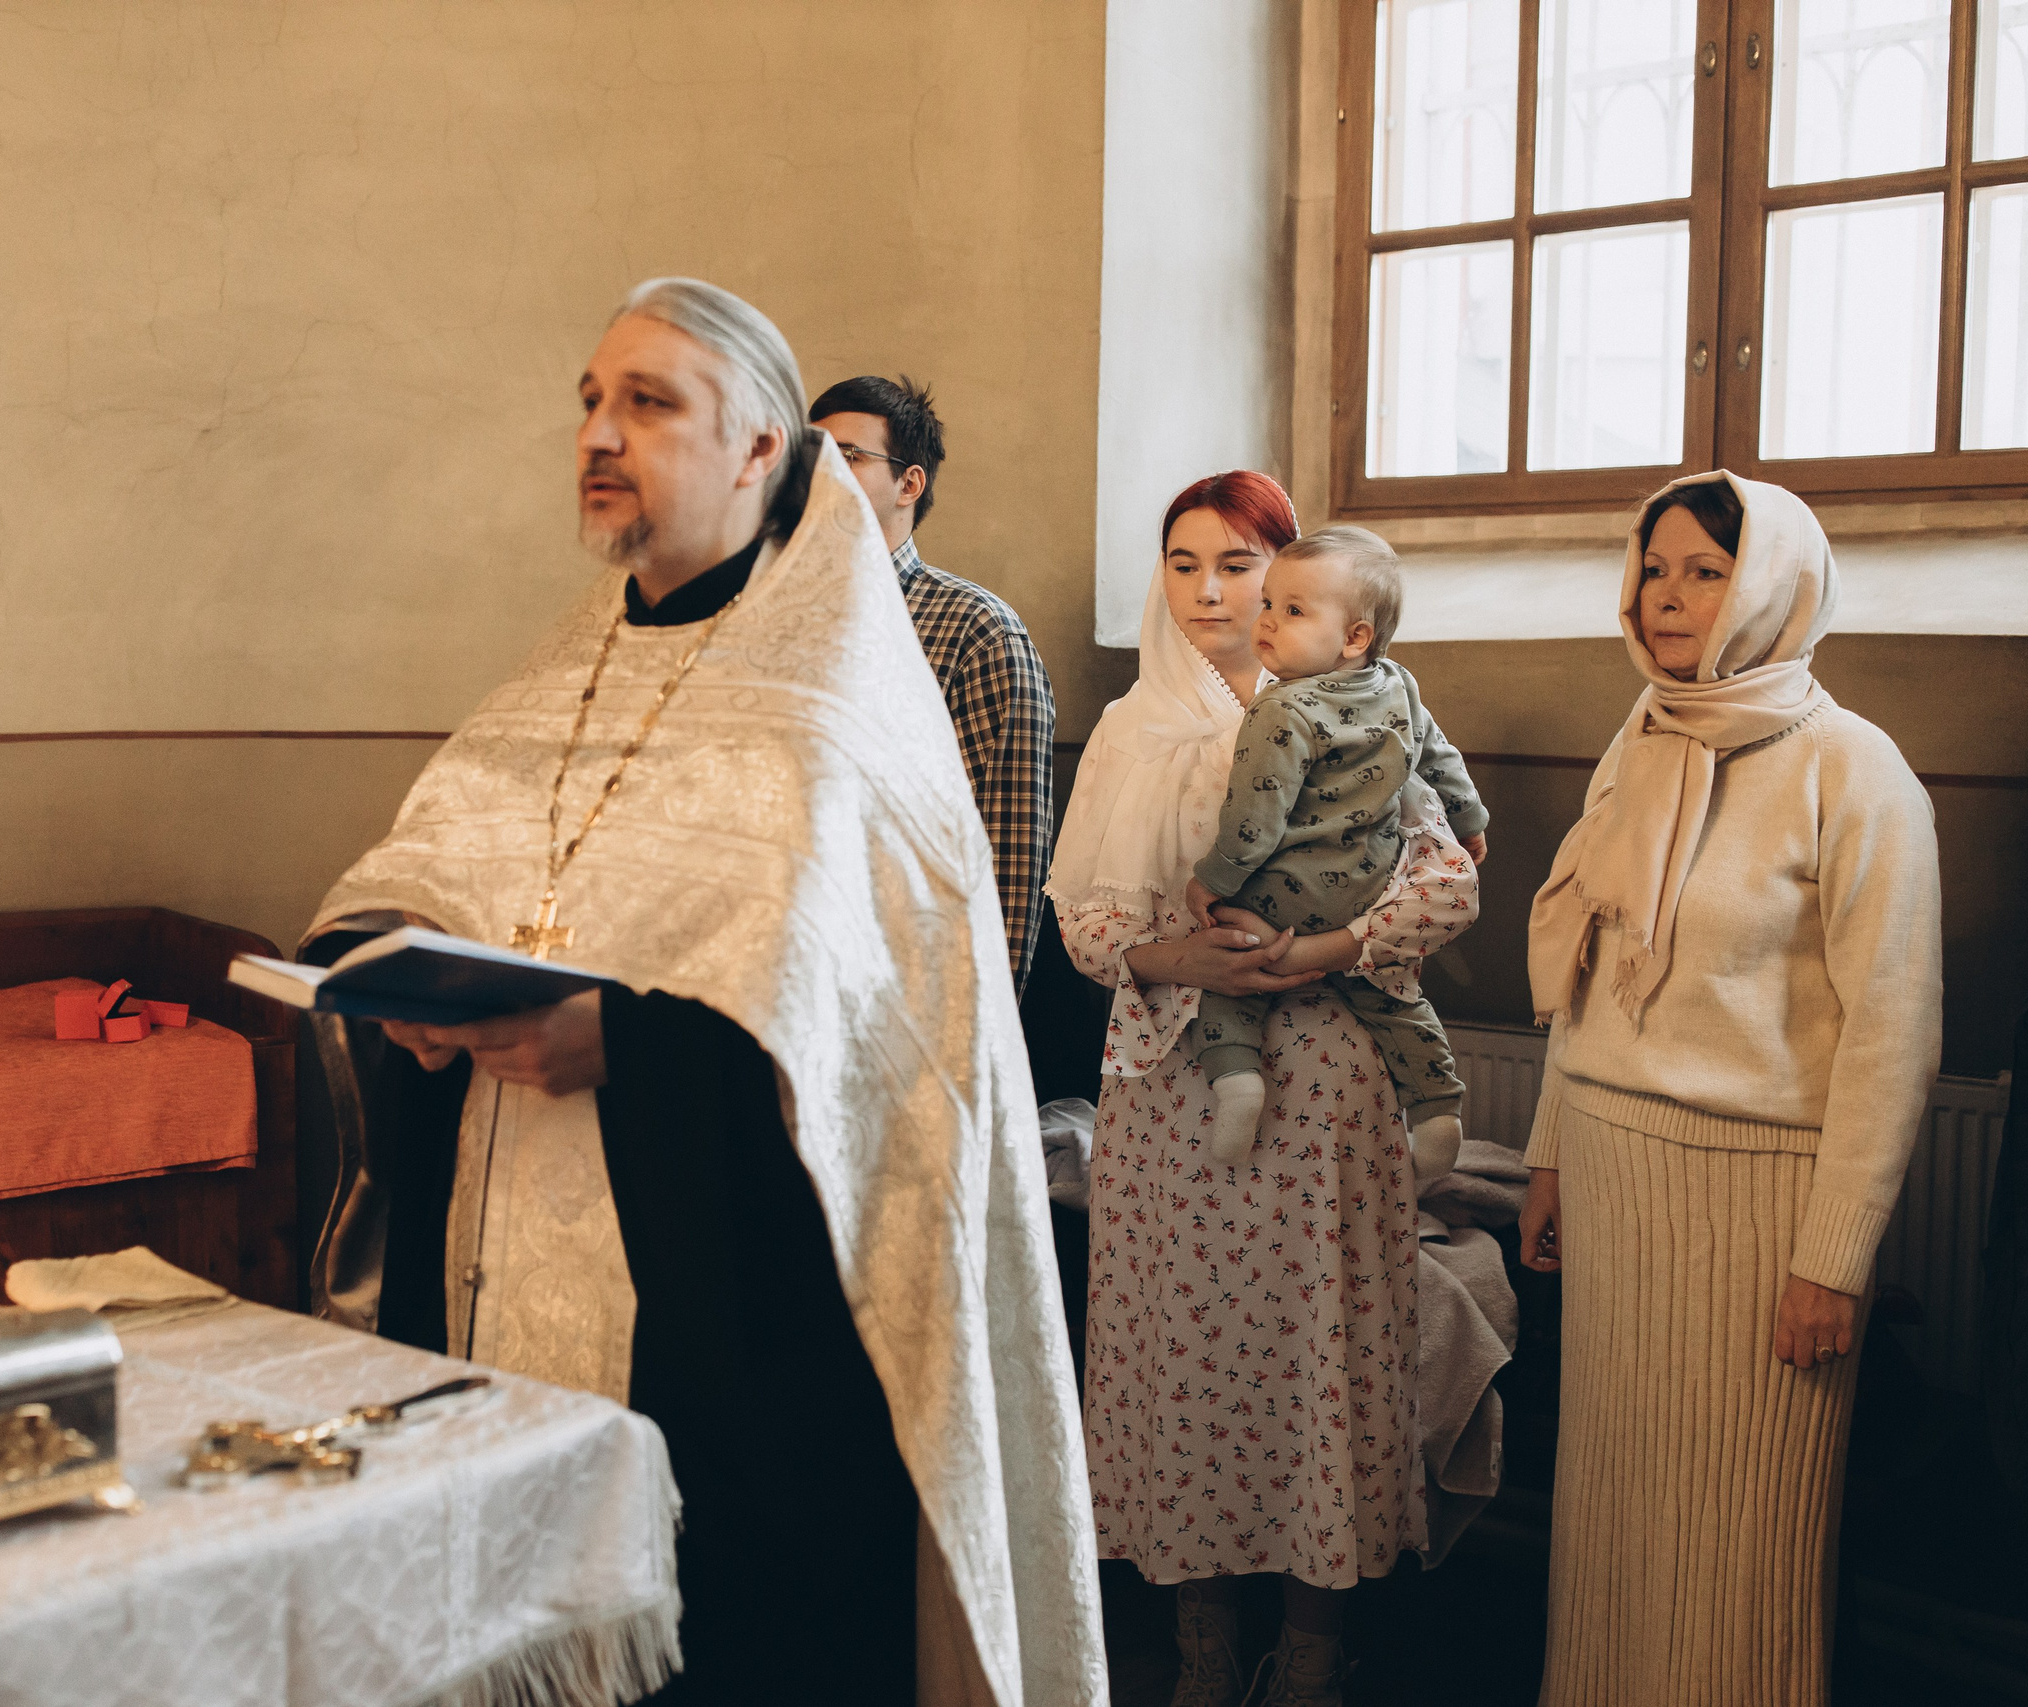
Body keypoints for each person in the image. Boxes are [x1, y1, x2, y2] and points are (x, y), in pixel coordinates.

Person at [302, 279, 1106, 1707]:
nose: (599, 434)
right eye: (590, 401)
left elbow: (887, 1033)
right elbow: (433, 865)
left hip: (737, 1312)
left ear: (759, 451)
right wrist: (404, 976)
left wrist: (618, 1036)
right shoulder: (558, 672)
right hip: (496, 1245)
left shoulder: (841, 698)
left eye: (650, 403)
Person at [1049, 470, 1480, 1707]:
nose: (1207, 592)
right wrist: (1173, 957)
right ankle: (1199, 1652)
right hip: (1169, 1088)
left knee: (1311, 1368)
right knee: (1186, 1371)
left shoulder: (1360, 710)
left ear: (1293, 583)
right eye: (1182, 563)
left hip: (1324, 1087)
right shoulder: (1132, 727)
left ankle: (1309, 1657)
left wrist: (1328, 949)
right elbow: (1082, 922)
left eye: (1237, 565)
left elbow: (1447, 885)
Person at [1517, 471, 1942, 1706]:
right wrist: (1549, 1153)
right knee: (1610, 1528)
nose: (1666, 596)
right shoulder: (1638, 740)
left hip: (1759, 1213)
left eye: (1706, 572)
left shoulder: (1852, 769)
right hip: (1614, 1177)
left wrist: (1834, 1260)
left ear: (1770, 588)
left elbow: (1893, 1033)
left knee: (1744, 1550)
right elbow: (1589, 964)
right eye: (1654, 569)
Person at [1182, 525, 1487, 1174]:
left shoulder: (1281, 710)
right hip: (1372, 887)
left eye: (1293, 610)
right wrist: (1470, 821)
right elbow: (1439, 759)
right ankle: (1438, 1109)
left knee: (1229, 986)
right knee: (1393, 999)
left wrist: (1212, 880)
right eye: (1269, 602)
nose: (1266, 620)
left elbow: (1255, 821)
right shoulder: (1398, 684)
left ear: (1355, 637)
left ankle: (1238, 1083)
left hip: (1286, 894)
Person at [809, 375, 1056, 993]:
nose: (821, 472)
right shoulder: (775, 613)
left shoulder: (977, 630)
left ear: (909, 483)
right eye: (813, 453)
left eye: (849, 455)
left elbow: (1007, 851)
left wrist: (983, 1013)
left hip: (904, 974)